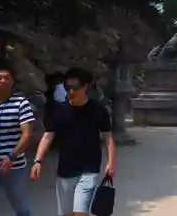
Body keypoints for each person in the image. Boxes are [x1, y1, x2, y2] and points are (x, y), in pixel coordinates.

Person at [31, 67, 115, 216]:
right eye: (68, 88)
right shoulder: (58, 111)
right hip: (65, 169)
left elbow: (108, 137)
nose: (71, 92)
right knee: (67, 214)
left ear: (85, 87)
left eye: (75, 88)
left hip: (90, 168)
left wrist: (111, 162)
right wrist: (38, 161)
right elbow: (48, 135)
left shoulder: (97, 110)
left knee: (80, 213)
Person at [0, 63, 35, 216]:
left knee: (20, 206)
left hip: (13, 166)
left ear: (12, 82)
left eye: (6, 78)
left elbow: (26, 134)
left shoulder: (21, 103)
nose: (2, 81)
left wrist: (11, 157)